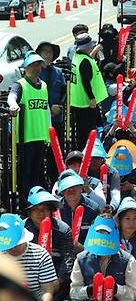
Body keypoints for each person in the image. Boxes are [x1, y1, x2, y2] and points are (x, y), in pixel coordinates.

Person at [7, 52, 51, 199]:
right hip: (26, 138)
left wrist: (49, 134)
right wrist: (13, 105)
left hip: (41, 137)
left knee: (38, 173)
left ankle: (36, 201)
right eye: (32, 65)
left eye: (38, 64)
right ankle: (27, 204)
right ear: (25, 67)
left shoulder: (43, 85)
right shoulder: (20, 85)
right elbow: (11, 97)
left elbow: (47, 110)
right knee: (26, 175)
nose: (36, 68)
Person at [70, 214, 136, 301]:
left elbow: (134, 293)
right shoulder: (81, 259)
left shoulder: (128, 260)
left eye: (106, 233)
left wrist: (116, 289)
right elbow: (73, 293)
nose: (103, 239)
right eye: (100, 233)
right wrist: (88, 291)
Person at [23, 186, 75, 301]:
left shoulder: (63, 230)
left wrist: (58, 280)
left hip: (56, 283)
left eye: (45, 209)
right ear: (29, 212)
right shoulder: (21, 230)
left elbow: (68, 259)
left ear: (51, 211)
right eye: (36, 209)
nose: (41, 213)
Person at [0, 214, 58, 301]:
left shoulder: (41, 254)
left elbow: (47, 291)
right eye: (9, 246)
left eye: (16, 245)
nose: (12, 248)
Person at [70, 33, 109, 151]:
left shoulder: (77, 57)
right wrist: (92, 98)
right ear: (87, 47)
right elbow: (85, 81)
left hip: (79, 102)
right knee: (87, 133)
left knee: (82, 132)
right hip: (86, 103)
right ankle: (87, 154)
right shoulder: (85, 61)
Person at [36, 41, 67, 182]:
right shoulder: (35, 72)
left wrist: (58, 105)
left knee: (55, 152)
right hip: (41, 120)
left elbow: (65, 92)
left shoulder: (57, 72)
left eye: (50, 52)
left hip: (56, 119)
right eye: (45, 51)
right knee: (40, 153)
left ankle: (55, 180)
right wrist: (49, 107)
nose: (48, 54)